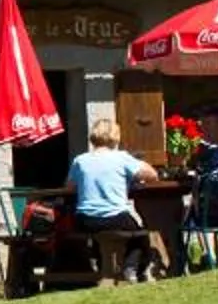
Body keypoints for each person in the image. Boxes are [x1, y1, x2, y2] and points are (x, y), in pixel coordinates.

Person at [66, 120, 163, 282]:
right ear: (115, 137)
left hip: (85, 219)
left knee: (99, 236)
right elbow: (152, 175)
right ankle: (131, 268)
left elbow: (69, 187)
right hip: (116, 216)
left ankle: (102, 267)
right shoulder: (121, 158)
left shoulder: (80, 160)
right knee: (140, 235)